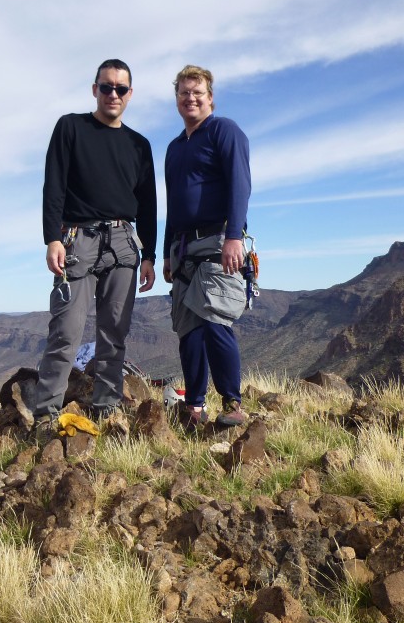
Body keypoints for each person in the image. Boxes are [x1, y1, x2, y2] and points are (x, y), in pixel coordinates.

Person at [32, 58, 157, 434]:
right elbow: (53, 185)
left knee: (113, 333)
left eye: (121, 88)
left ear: (130, 94)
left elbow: (149, 203)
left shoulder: (138, 145)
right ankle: (46, 416)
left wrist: (149, 254)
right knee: (66, 331)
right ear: (95, 89)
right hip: (77, 240)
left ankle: (105, 408)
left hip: (123, 242)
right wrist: (52, 237)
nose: (113, 94)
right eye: (107, 87)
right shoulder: (71, 127)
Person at [162, 65, 251, 431]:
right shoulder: (174, 148)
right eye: (184, 92)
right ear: (177, 99)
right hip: (184, 250)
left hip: (218, 240)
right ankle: (194, 406)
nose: (190, 98)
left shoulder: (224, 130)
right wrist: (168, 251)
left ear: (210, 97)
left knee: (215, 320)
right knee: (189, 331)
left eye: (197, 92)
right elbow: (174, 204)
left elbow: (239, 184)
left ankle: (232, 401)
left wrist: (234, 236)